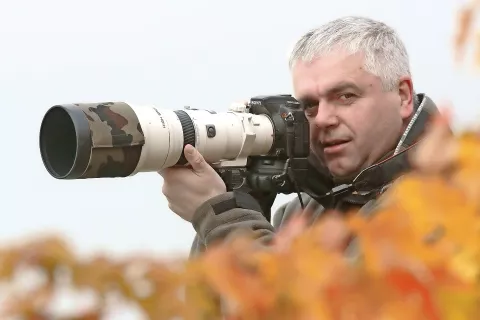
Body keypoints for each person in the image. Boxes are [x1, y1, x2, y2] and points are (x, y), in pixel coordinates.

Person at [159, 16, 440, 258]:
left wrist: (219, 214)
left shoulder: (450, 196)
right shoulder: (302, 214)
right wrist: (243, 200)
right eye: (309, 105)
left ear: (402, 95)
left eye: (345, 96)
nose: (323, 119)